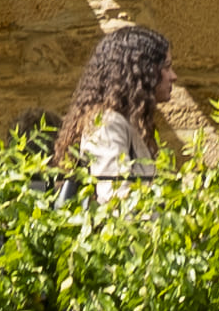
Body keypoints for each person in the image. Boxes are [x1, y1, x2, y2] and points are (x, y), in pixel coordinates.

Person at [63, 25, 176, 192]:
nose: (173, 76)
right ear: (143, 71)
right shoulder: (107, 124)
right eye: (166, 67)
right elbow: (114, 196)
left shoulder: (128, 123)